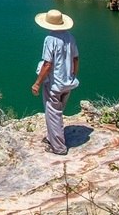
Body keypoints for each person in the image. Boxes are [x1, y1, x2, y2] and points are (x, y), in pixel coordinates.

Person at [32, 9, 79, 155]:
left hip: (55, 84)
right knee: (57, 113)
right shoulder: (70, 37)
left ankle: (58, 148)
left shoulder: (50, 39)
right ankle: (51, 137)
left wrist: (37, 83)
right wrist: (72, 75)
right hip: (68, 83)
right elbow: (75, 59)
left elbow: (47, 64)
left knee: (53, 114)